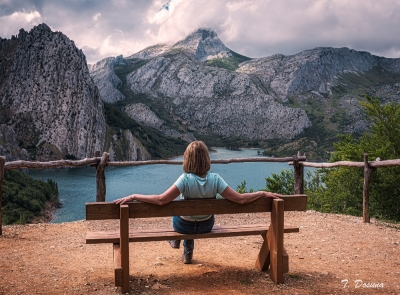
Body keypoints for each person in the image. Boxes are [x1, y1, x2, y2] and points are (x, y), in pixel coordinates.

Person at [114, 141, 281, 264]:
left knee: (180, 209)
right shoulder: (216, 179)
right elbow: (240, 199)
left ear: (187, 159)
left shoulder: (185, 179)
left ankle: (182, 246)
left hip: (182, 226)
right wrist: (262, 193)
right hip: (206, 225)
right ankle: (187, 250)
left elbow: (160, 200)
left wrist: (135, 195)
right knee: (193, 212)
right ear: (206, 158)